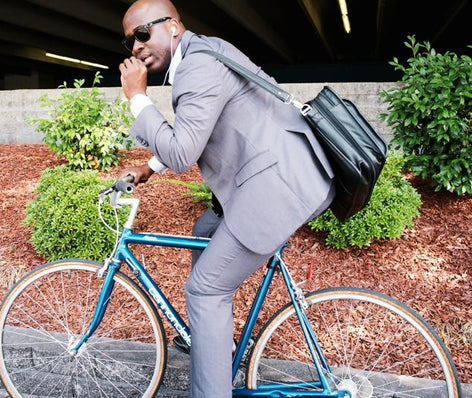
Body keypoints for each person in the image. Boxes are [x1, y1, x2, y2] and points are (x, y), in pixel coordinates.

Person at [118, 1, 335, 396]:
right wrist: (150, 167)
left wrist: (137, 98)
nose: (135, 46)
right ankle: (216, 341)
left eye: (142, 33)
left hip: (276, 187)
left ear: (173, 26)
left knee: (205, 290)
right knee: (205, 231)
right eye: (130, 39)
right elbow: (200, 128)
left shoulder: (197, 68)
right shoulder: (205, 51)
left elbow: (183, 152)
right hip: (277, 172)